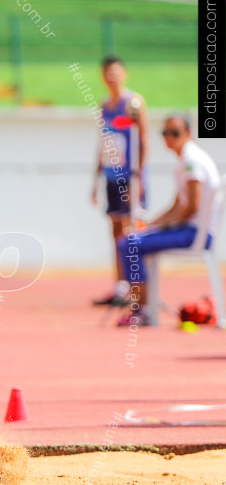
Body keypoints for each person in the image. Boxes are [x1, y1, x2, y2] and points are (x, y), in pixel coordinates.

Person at [115, 115, 222, 327]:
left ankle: (142, 310)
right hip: (189, 230)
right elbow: (176, 206)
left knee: (129, 245)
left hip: (195, 234)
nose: (169, 138)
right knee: (133, 239)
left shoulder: (192, 161)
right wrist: (150, 226)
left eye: (175, 133)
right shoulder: (185, 160)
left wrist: (158, 227)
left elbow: (191, 206)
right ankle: (144, 305)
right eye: (165, 133)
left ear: (188, 134)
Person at [92, 56, 149, 308]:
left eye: (115, 72)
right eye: (107, 73)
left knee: (130, 229)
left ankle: (135, 288)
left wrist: (140, 174)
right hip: (111, 175)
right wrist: (95, 179)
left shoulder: (133, 103)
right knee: (115, 230)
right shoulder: (104, 106)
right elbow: (102, 143)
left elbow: (143, 138)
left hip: (129, 176)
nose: (111, 77)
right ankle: (120, 286)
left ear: (124, 73)